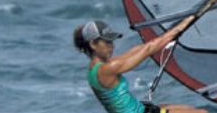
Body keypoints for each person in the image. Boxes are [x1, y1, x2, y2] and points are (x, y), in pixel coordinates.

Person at [74, 17, 206, 113]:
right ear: (93, 44)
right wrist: (179, 28)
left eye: (112, 41)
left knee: (192, 110)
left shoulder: (97, 67)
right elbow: (148, 50)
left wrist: (171, 33)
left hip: (140, 109)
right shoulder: (107, 68)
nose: (112, 46)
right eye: (107, 42)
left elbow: (138, 50)